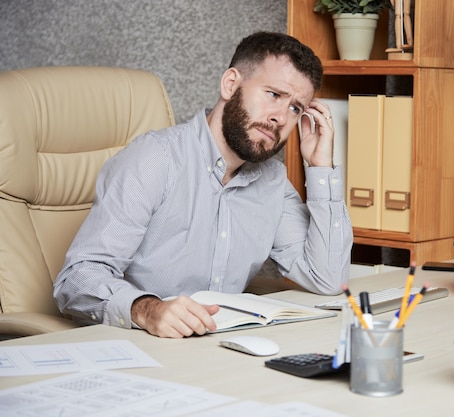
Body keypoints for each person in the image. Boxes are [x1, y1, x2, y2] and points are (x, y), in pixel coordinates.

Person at [53, 32, 353, 338]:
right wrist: (147, 309)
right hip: (141, 345)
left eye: (295, 109)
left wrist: (321, 168)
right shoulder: (155, 159)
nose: (280, 118)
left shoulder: (273, 181)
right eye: (274, 95)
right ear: (230, 84)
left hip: (219, 351)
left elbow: (327, 279)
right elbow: (78, 278)